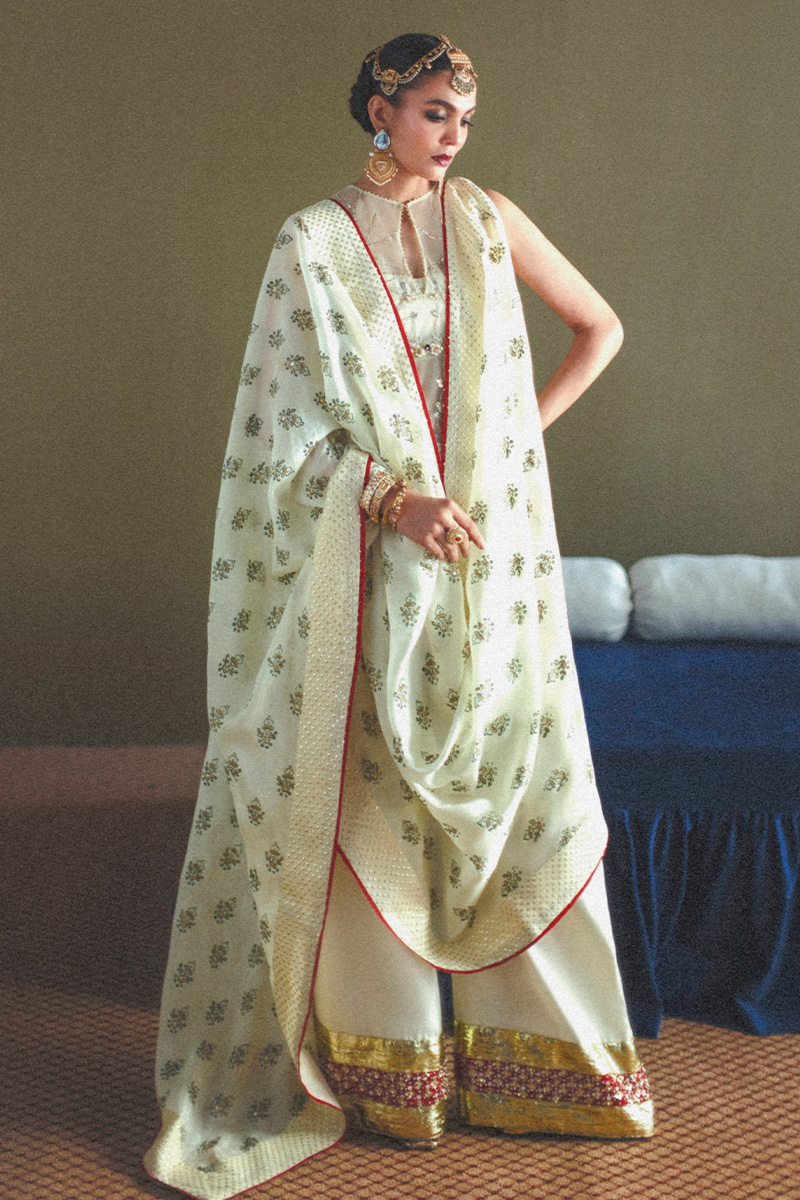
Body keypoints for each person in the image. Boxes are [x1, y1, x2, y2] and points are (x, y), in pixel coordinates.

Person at [144, 32, 654, 1199]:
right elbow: (278, 437)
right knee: (375, 788)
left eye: (463, 116)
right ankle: (391, 1074)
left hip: (492, 557)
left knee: (511, 778)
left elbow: (600, 327)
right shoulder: (313, 243)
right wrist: (392, 497)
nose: (452, 135)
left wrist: (505, 449)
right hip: (373, 563)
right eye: (432, 111)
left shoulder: (489, 220)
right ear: (379, 109)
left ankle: (539, 1067)